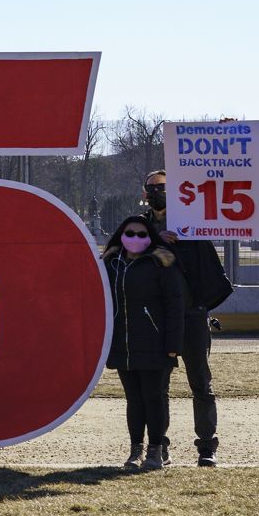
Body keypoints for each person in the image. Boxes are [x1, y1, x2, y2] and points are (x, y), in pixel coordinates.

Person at [141, 169, 233, 466]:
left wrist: (225, 132)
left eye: (163, 187)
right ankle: (159, 446)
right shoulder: (139, 228)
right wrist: (156, 238)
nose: (157, 192)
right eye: (152, 188)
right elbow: (123, 252)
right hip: (159, 319)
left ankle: (206, 446)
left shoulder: (193, 224)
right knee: (158, 387)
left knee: (201, 383)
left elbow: (220, 193)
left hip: (192, 315)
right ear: (145, 193)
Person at [102, 215, 186, 470]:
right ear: (121, 235)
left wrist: (173, 345)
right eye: (130, 233)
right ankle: (135, 450)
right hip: (123, 343)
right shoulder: (111, 263)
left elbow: (175, 304)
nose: (135, 239)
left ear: (150, 236)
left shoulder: (162, 262)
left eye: (141, 234)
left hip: (155, 342)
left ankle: (156, 450)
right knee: (134, 399)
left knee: (154, 397)